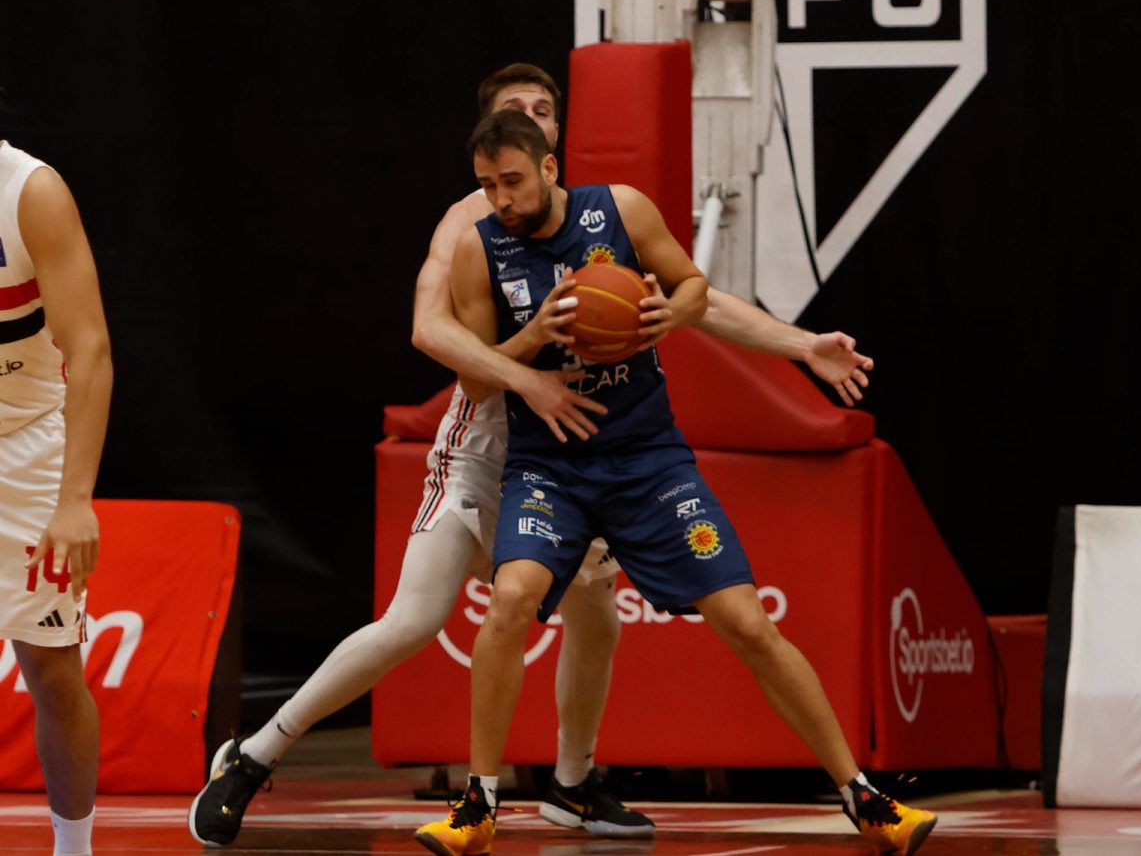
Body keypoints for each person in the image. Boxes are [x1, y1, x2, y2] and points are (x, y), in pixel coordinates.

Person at [189, 63, 874, 848]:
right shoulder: (472, 223)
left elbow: (695, 296)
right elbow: (430, 330)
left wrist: (800, 345)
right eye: (515, 108)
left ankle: (573, 783)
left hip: (574, 449)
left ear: (551, 142)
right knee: (413, 620)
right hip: (487, 443)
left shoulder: (599, 215)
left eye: (544, 109)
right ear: (487, 133)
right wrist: (530, 373)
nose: (533, 116)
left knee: (596, 619)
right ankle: (255, 753)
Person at [413, 110, 936, 856]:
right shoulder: (478, 249)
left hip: (647, 459)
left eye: (513, 181)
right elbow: (474, 375)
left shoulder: (620, 210)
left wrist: (662, 314)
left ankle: (866, 797)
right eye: (488, 185)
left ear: (550, 167)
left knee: (748, 623)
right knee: (510, 600)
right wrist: (534, 338)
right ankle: (479, 805)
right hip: (549, 465)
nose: (501, 198)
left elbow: (695, 289)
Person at [0, 139, 113, 856]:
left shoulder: (31, 192)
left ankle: (74, 849)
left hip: (27, 445)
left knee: (51, 669)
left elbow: (91, 348)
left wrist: (76, 499)